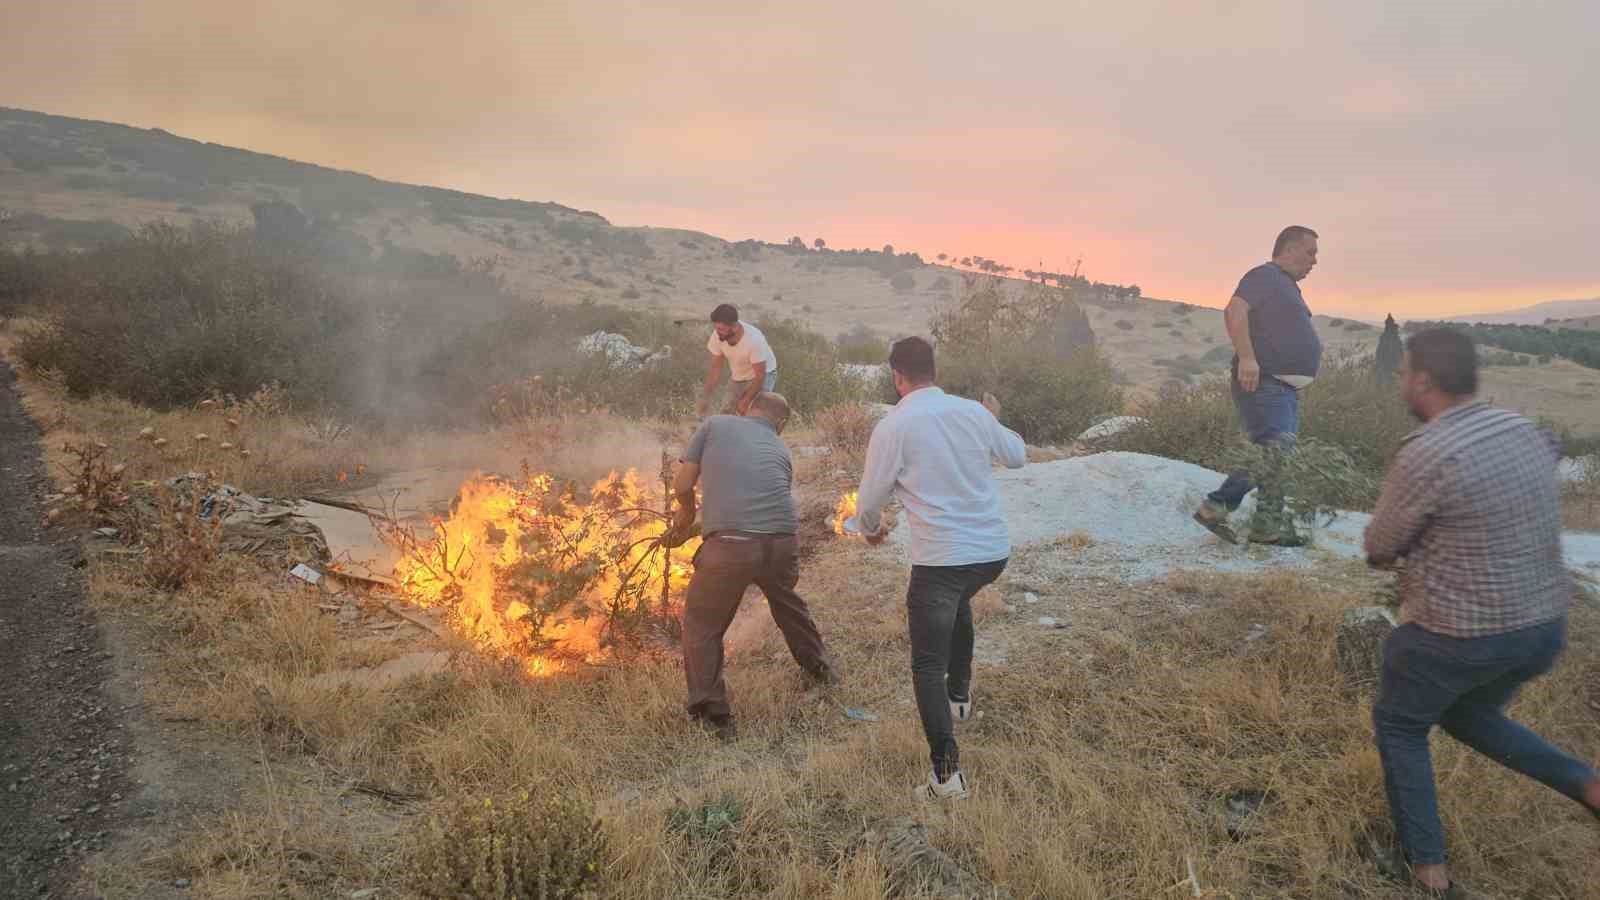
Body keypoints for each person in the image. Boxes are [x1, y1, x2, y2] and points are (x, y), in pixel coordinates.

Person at [1364, 328, 1600, 896]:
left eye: (1403, 374)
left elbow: (1379, 546)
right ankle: (1589, 787)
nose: (1400, 382)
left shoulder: (1427, 450)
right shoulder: (1522, 430)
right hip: (1543, 627)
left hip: (1460, 634)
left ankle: (1429, 875)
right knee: (1468, 715)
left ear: (1422, 379)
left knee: (1401, 723)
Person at [854, 337, 1026, 801]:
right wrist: (991, 417)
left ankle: (947, 777)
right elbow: (1017, 454)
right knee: (959, 604)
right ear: (934, 369)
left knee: (926, 663)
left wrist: (869, 528)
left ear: (896, 376)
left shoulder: (895, 424)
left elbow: (871, 497)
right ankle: (960, 699)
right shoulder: (973, 413)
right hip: (991, 554)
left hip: (942, 560)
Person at [671, 391, 832, 740]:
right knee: (786, 601)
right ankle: (820, 668)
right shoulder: (780, 450)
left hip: (731, 548)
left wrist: (684, 517)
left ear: (745, 409)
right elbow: (755, 510)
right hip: (782, 544)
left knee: (702, 626)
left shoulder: (714, 425)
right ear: (782, 425)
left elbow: (682, 484)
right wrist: (699, 528)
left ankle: (713, 714)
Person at [1193, 225, 1323, 546]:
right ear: (1289, 249)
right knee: (1273, 451)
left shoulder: (1288, 286)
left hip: (1284, 389)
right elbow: (1235, 310)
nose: (1314, 261)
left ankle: (1267, 527)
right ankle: (1215, 506)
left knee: (1281, 455)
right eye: (1311, 252)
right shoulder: (1265, 275)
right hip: (1264, 382)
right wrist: (1248, 358)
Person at [696, 304, 779, 418]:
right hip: (740, 375)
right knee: (727, 412)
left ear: (734, 327)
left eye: (721, 329)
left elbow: (760, 376)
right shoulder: (717, 336)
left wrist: (746, 399)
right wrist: (705, 396)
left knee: (752, 412)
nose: (717, 332)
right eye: (716, 327)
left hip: (764, 374)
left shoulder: (754, 341)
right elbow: (715, 369)